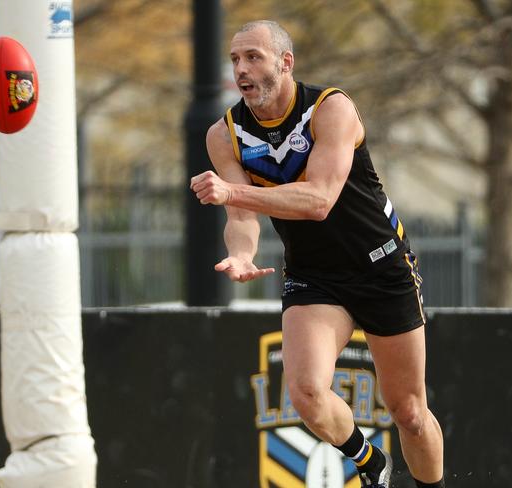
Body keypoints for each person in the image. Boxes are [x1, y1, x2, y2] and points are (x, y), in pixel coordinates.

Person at [190, 20, 445, 488]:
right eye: (234, 60)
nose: (241, 69)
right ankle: (371, 463)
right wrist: (242, 254)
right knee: (306, 392)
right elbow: (241, 214)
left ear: (285, 63)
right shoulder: (224, 135)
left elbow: (319, 199)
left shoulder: (331, 108)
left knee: (409, 411)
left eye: (253, 57)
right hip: (314, 275)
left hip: (381, 264)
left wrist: (230, 193)